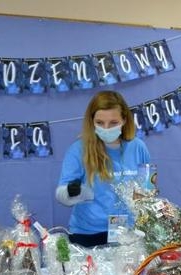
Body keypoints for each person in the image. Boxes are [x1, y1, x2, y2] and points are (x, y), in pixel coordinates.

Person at [55, 91, 150, 247]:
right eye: (100, 123)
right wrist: (74, 192)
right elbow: (61, 194)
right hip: (88, 235)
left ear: (124, 120)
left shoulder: (138, 147)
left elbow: (147, 191)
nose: (106, 128)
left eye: (113, 123)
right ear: (91, 121)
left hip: (129, 233)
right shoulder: (78, 150)